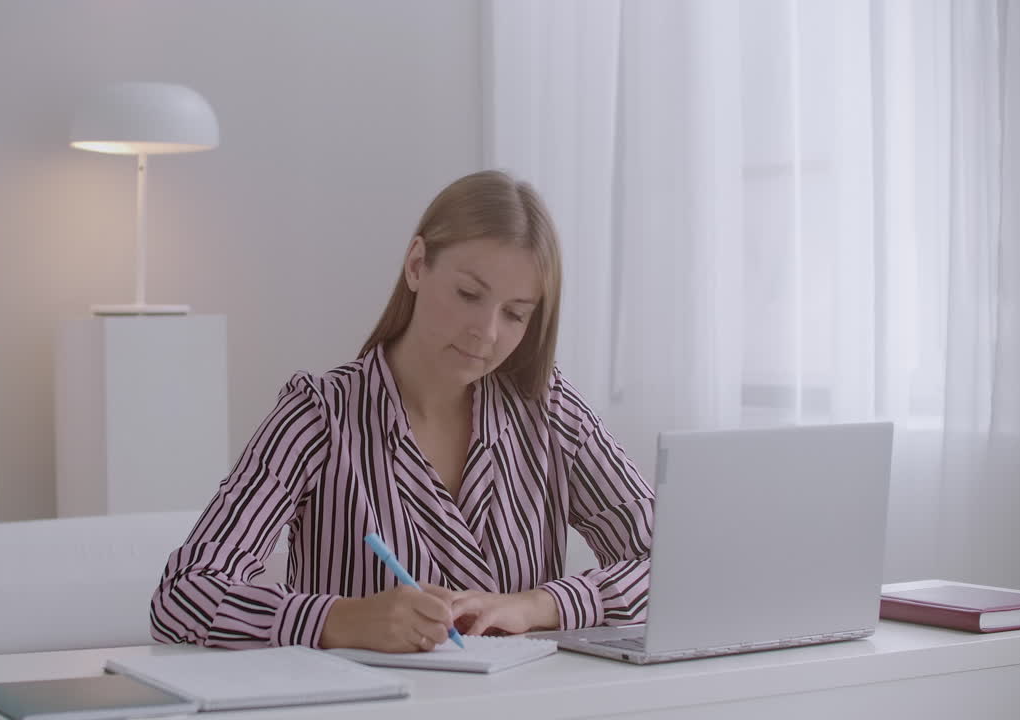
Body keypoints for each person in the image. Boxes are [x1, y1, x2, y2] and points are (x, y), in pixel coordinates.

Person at [150, 170, 654, 653]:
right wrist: (341, 620)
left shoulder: (549, 411)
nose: (488, 331)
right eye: (468, 295)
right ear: (417, 265)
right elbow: (184, 594)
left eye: (515, 313)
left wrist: (539, 605)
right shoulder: (319, 414)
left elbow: (671, 562)